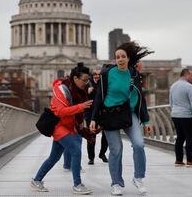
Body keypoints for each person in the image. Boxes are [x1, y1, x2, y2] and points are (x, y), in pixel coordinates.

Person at [90, 42, 152, 196]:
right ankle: (116, 183)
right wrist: (93, 119)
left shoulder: (134, 74)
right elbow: (99, 97)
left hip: (128, 113)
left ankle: (138, 178)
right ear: (115, 59)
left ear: (128, 58)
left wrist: (145, 120)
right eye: (117, 57)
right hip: (110, 114)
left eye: (123, 56)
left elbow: (140, 97)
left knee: (139, 144)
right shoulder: (107, 74)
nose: (120, 59)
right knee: (116, 150)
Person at [31, 63, 93, 195]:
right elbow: (60, 112)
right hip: (59, 126)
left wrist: (80, 123)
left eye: (88, 80)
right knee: (76, 151)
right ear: (75, 79)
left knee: (54, 157)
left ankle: (37, 180)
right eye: (84, 80)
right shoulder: (62, 90)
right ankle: (77, 184)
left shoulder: (79, 91)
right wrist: (81, 107)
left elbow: (79, 110)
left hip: (68, 126)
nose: (86, 83)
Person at [169, 68, 192, 167]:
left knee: (180, 138)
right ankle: (190, 161)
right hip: (187, 116)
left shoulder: (173, 86)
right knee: (191, 137)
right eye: (191, 75)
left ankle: (179, 160)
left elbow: (171, 102)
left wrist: (174, 111)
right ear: (186, 75)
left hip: (175, 115)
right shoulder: (189, 87)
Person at [85, 65, 108, 165]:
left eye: (99, 74)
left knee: (106, 135)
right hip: (90, 113)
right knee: (91, 135)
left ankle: (102, 154)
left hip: (103, 113)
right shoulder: (87, 83)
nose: (97, 76)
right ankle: (91, 158)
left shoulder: (105, 83)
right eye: (95, 74)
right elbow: (80, 98)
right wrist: (87, 92)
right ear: (92, 74)